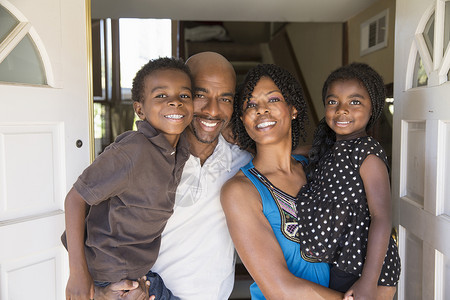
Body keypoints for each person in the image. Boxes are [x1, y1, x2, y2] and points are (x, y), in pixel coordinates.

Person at [95, 52, 252, 300]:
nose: (213, 110)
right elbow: (91, 222)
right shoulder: (142, 158)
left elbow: (287, 159)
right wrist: (97, 289)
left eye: (225, 98)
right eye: (200, 95)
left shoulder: (244, 165)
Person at [63, 57, 193, 300]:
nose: (175, 101)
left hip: (139, 274)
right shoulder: (133, 150)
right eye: (161, 96)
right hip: (112, 276)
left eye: (184, 96)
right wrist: (78, 273)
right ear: (140, 109)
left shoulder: (178, 149)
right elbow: (75, 198)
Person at [221, 64, 343, 299]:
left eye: (273, 99)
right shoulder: (241, 191)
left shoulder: (314, 166)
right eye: (251, 104)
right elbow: (278, 288)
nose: (261, 110)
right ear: (243, 119)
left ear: (293, 109)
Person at [297, 63, 401, 300]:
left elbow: (381, 217)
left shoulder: (367, 152)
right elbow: (291, 152)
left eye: (355, 102)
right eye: (333, 102)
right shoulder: (330, 149)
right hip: (342, 261)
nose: (342, 110)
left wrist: (368, 280)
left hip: (365, 268)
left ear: (373, 107)